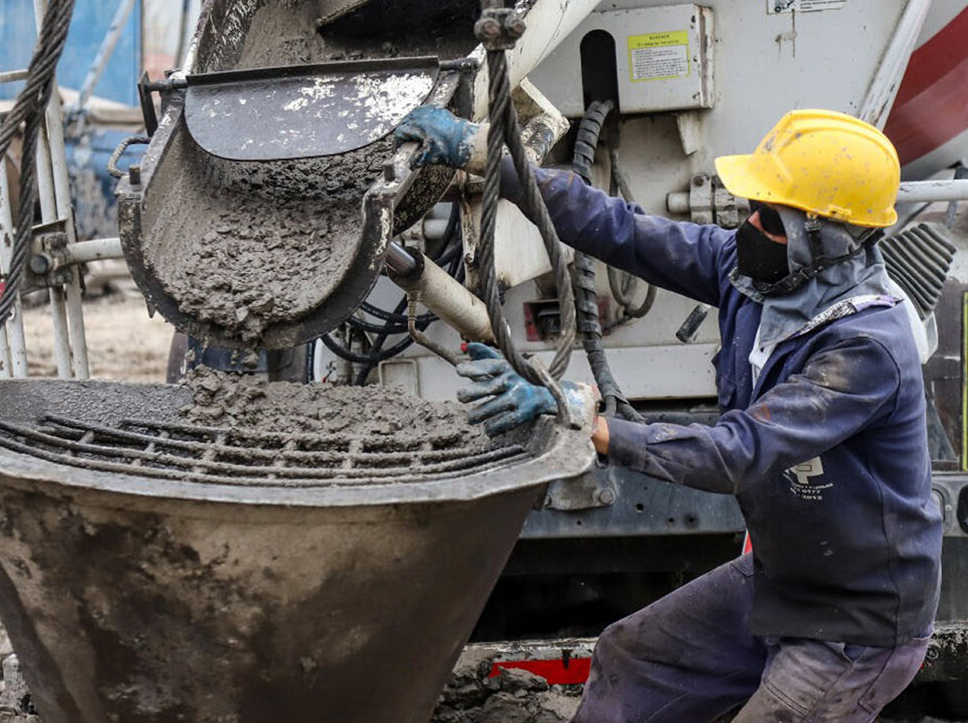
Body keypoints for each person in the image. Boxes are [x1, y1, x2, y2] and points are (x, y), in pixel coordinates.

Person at [395, 106, 941, 722]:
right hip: (784, 580)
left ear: (826, 237)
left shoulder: (865, 347)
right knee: (634, 656)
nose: (750, 226)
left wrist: (582, 420)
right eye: (752, 208)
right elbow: (619, 229)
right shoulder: (757, 275)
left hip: (854, 623)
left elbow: (736, 451)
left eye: (770, 216)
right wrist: (490, 155)